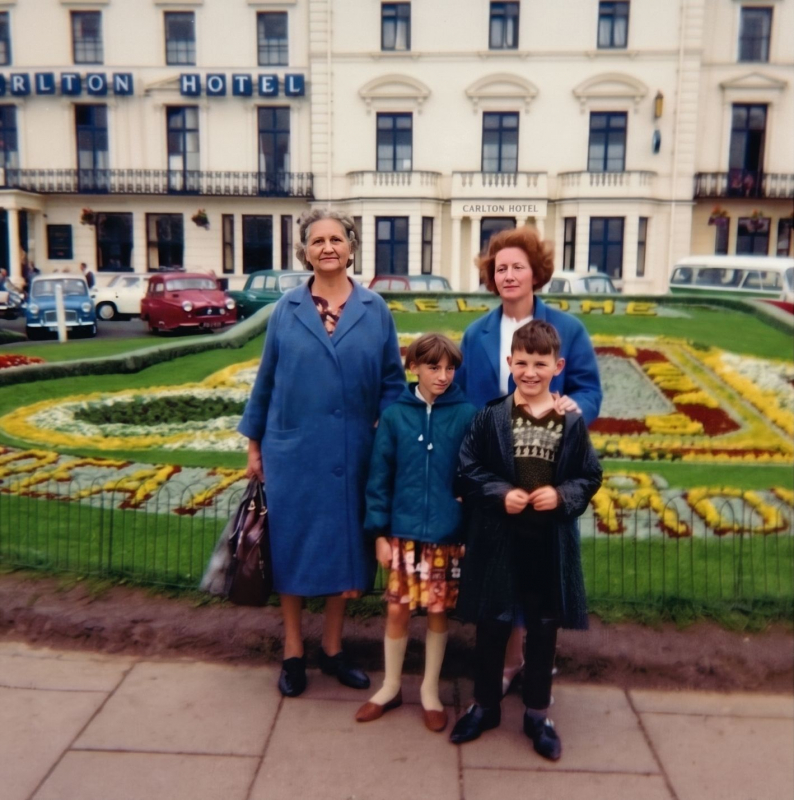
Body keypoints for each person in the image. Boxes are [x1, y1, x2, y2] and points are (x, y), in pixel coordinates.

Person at [238, 209, 406, 698]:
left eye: (337, 239)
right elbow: (265, 380)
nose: (328, 247)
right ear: (305, 251)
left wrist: (386, 434)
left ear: (351, 247)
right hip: (292, 453)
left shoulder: (376, 310)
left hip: (353, 454)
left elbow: (393, 384)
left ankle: (332, 649)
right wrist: (254, 445)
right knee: (290, 550)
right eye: (318, 241)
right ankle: (293, 652)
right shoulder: (286, 310)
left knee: (343, 551)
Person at [455, 225, 602, 694]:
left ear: (535, 273)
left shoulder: (567, 329)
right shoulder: (477, 332)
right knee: (498, 566)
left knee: (538, 569)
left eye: (518, 266)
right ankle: (507, 661)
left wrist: (575, 409)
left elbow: (588, 389)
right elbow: (464, 398)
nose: (509, 275)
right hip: (496, 468)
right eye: (501, 268)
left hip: (546, 465)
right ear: (491, 277)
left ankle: (527, 663)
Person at [450, 320, 602, 760]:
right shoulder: (491, 417)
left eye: (540, 364)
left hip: (546, 541)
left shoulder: (569, 423)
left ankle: (537, 713)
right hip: (499, 537)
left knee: (542, 628)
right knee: (492, 623)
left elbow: (589, 476)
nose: (530, 372)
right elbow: (468, 470)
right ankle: (485, 705)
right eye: (522, 363)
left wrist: (561, 494)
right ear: (508, 363)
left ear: (558, 366)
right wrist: (500, 493)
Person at [356, 334, 476, 732]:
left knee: (439, 610)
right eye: (433, 367)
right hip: (402, 533)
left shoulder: (465, 414)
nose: (443, 376)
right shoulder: (394, 416)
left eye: (449, 368)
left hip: (446, 533)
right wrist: (378, 533)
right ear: (414, 368)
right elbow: (379, 478)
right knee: (397, 608)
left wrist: (467, 506)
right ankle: (390, 686)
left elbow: (475, 471)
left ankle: (429, 690)